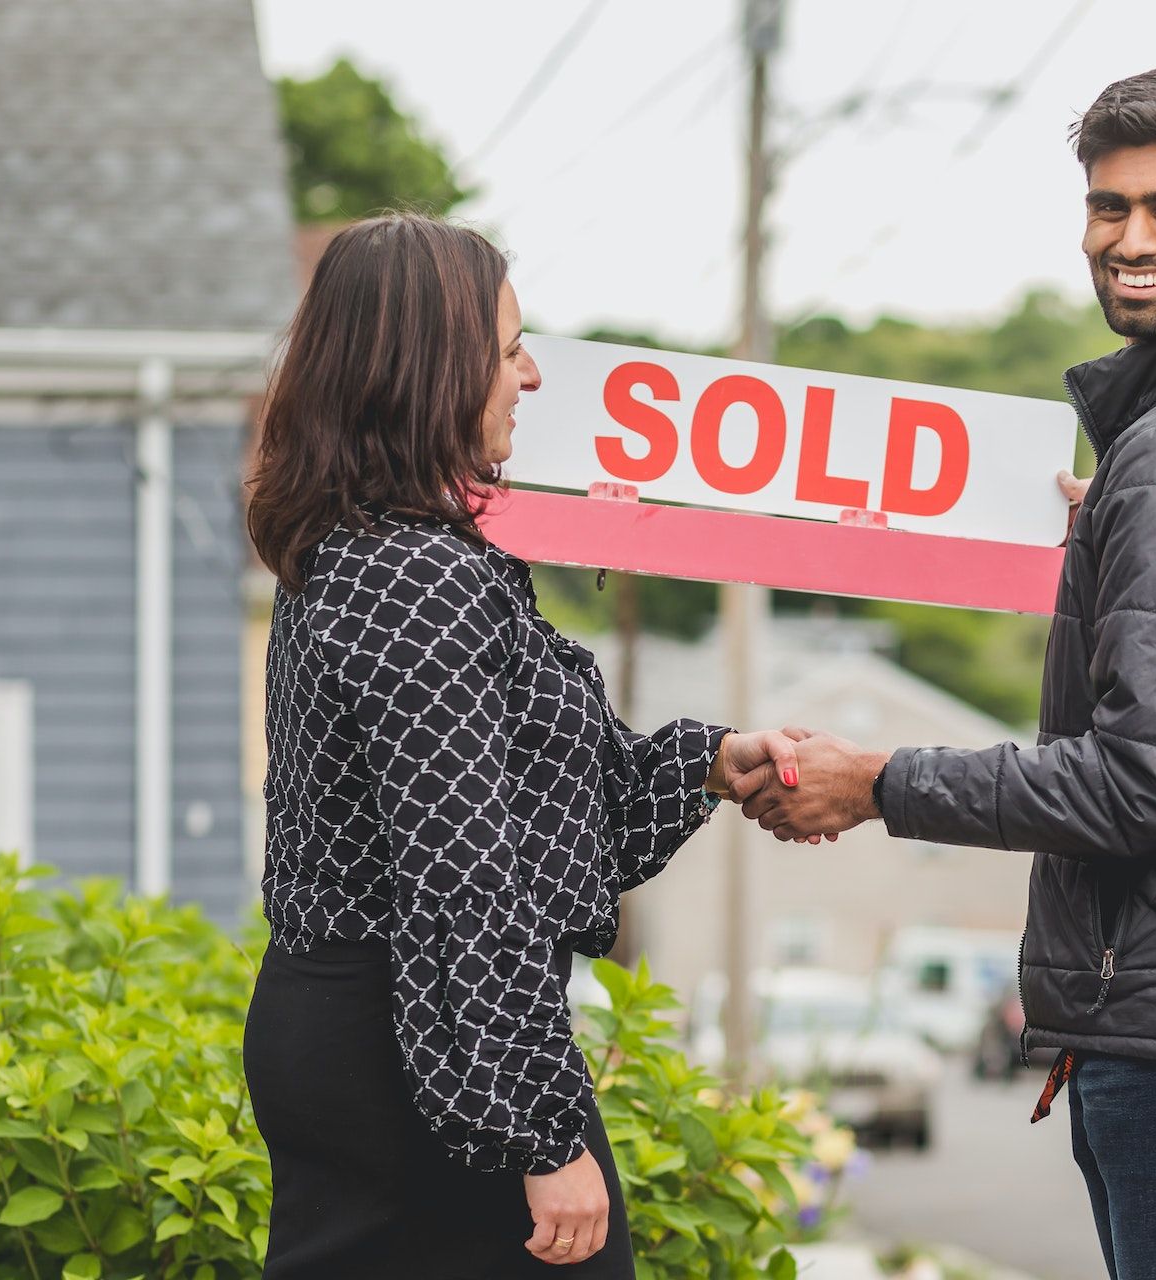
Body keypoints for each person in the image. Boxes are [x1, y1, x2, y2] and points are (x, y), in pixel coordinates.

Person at [736, 67, 1156, 1280]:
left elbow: (1144, 788)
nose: (1132, 240)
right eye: (1109, 208)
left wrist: (879, 779)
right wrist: (1149, 548)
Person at [241, 213, 814, 1278]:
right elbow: (466, 874)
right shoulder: (414, 576)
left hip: (385, 1021)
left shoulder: (371, 552)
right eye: (509, 349)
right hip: (416, 1041)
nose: (532, 376)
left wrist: (706, 761)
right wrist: (538, 1133)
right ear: (432, 366)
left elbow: (534, 813)